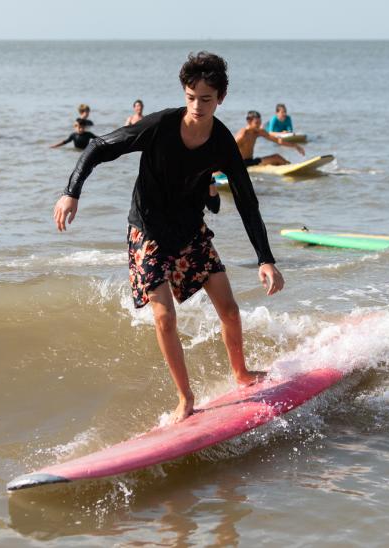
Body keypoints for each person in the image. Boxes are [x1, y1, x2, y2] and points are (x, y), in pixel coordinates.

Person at [53, 51, 284, 423]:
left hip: (190, 231)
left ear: (220, 99)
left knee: (229, 308)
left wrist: (265, 259)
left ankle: (241, 373)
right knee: (164, 317)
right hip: (148, 230)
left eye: (206, 100)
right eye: (191, 97)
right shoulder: (158, 126)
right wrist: (71, 192)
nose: (196, 106)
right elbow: (98, 148)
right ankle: (185, 398)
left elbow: (247, 201)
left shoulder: (223, 142)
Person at [235, 110, 304, 167]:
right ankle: (291, 167)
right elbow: (228, 149)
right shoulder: (242, 135)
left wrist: (295, 146)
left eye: (260, 122)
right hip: (242, 164)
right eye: (256, 123)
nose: (259, 125)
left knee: (277, 157)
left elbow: (277, 140)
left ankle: (291, 167)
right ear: (249, 121)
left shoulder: (258, 131)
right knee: (277, 158)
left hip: (251, 161)